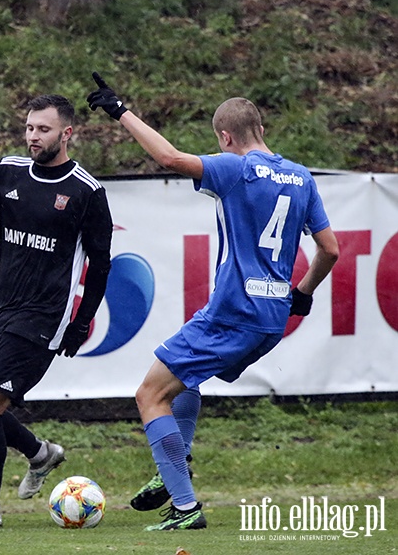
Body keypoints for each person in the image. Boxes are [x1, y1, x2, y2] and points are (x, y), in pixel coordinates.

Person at [86, 72, 340, 531]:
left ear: (226, 137)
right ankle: (173, 471)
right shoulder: (302, 178)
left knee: (149, 394)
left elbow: (168, 156)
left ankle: (185, 507)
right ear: (261, 129)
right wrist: (302, 294)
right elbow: (331, 249)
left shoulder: (234, 167)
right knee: (185, 381)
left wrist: (120, 110)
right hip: (270, 319)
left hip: (232, 311)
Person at [0, 94, 114, 530]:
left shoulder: (87, 191)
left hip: (44, 316)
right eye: (29, 128)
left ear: (67, 133)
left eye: (43, 129)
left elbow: (100, 264)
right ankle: (41, 454)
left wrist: (81, 321)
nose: (33, 136)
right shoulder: (8, 171)